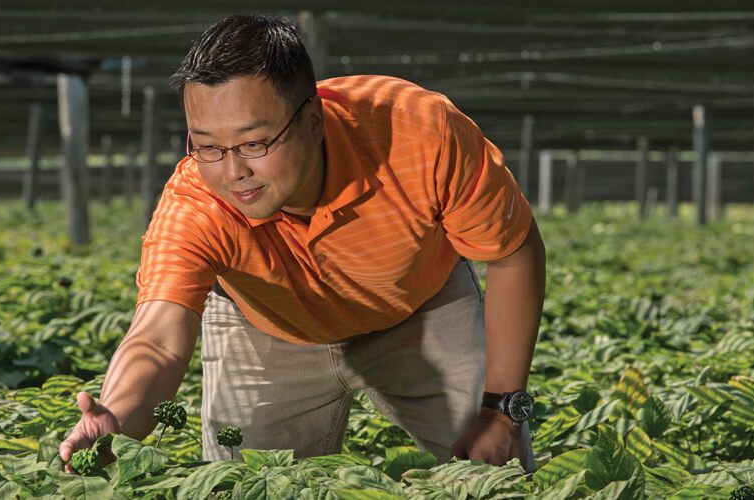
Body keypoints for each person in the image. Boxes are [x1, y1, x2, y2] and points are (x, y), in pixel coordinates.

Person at [59, 14, 545, 472]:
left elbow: (512, 252)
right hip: (266, 329)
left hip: (421, 306)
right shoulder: (196, 204)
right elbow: (158, 339)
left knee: (495, 471)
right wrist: (117, 418)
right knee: (244, 484)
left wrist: (502, 410)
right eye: (207, 146)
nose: (233, 172)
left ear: (313, 121)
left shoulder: (422, 133)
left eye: (254, 143)